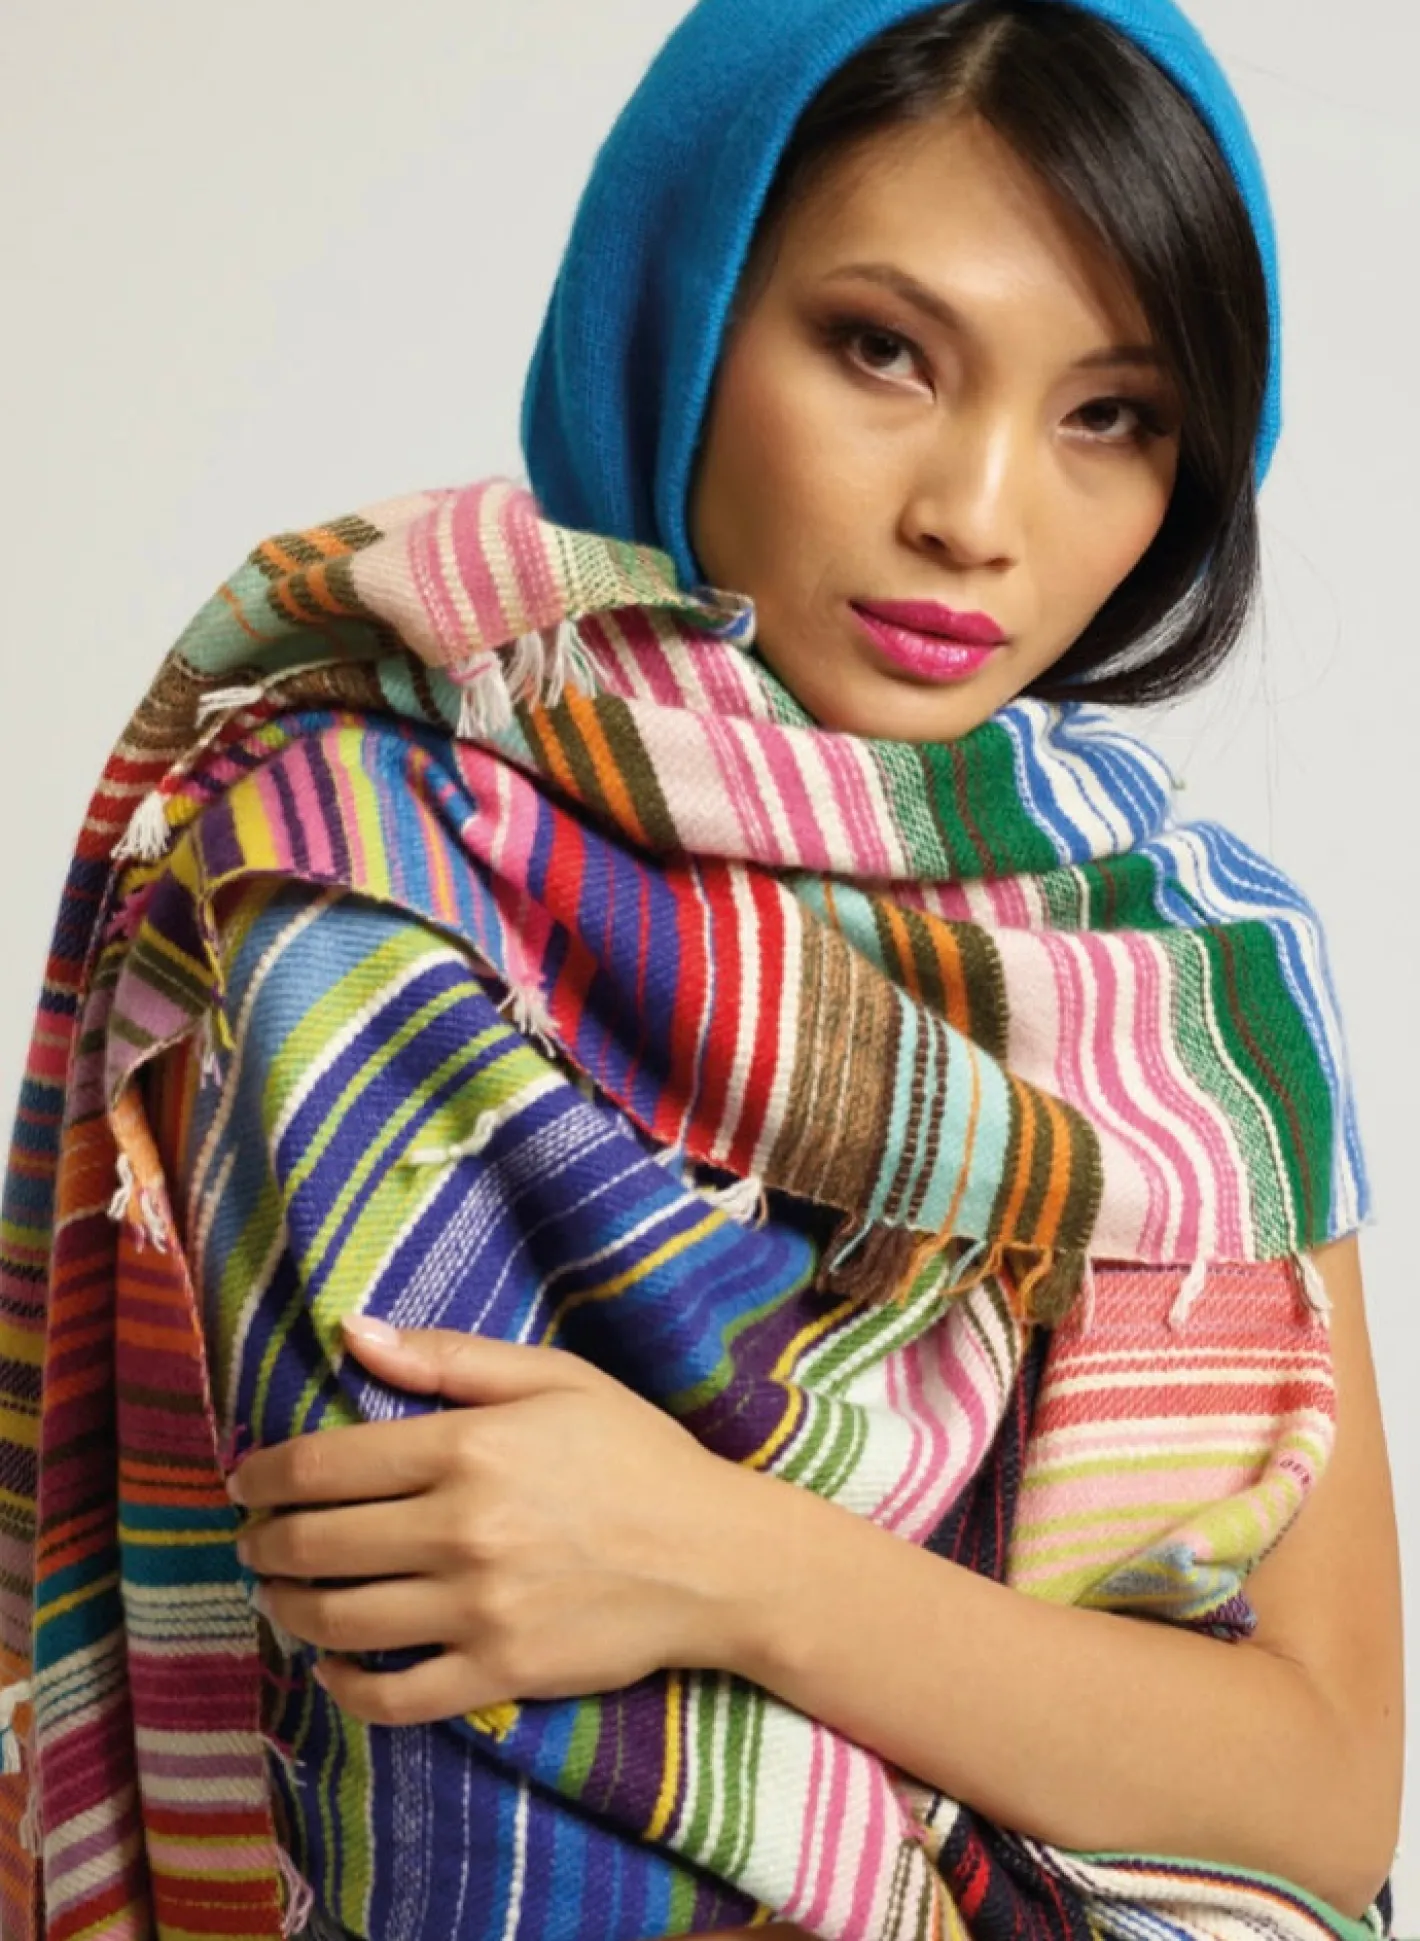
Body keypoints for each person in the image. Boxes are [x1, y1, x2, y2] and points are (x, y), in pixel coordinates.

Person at [0, 0, 1403, 1938]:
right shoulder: (353, 878)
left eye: (1110, 417)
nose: (975, 516)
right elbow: (449, 1791)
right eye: (882, 350)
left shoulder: (1203, 982)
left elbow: (1324, 1792)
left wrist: (733, 1566)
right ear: (678, 316)